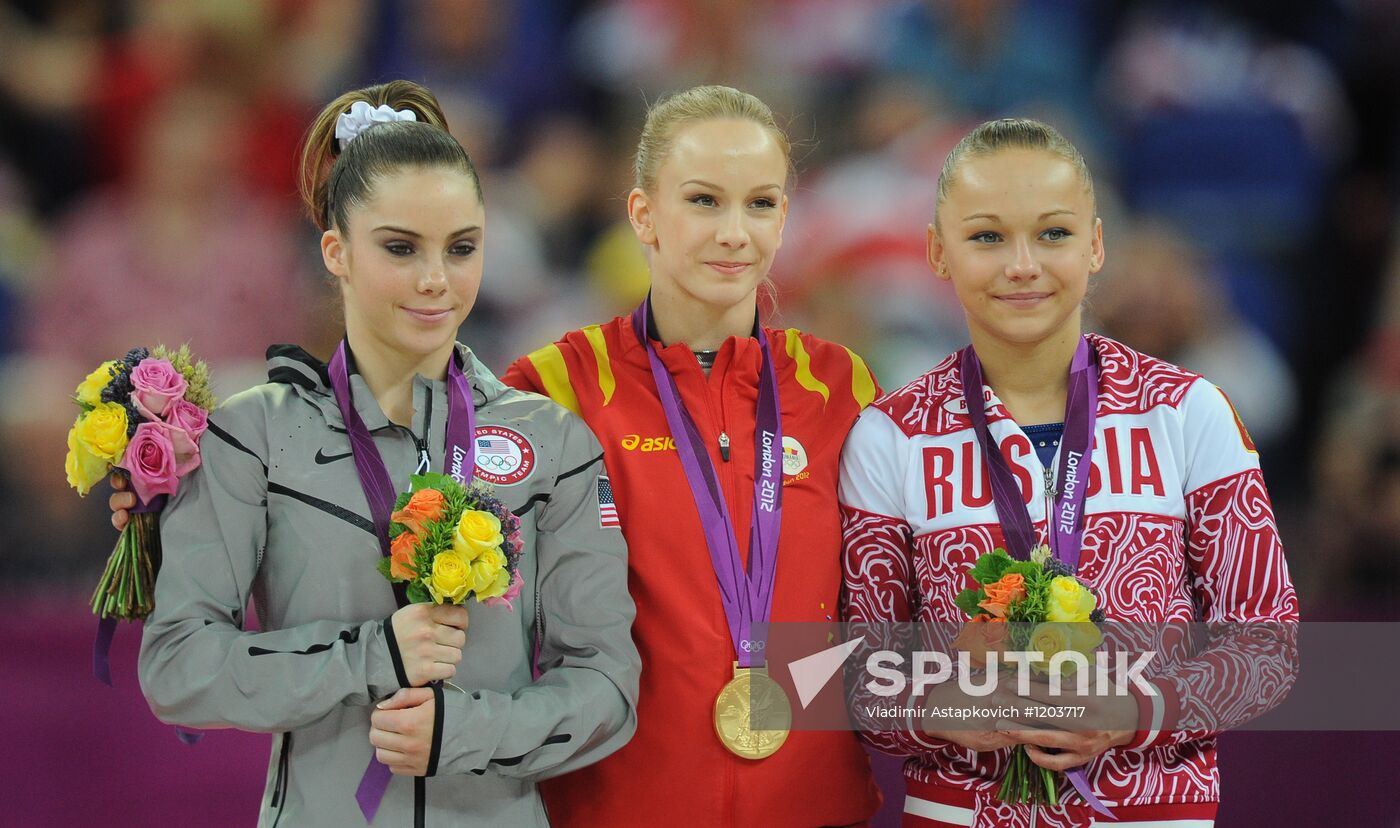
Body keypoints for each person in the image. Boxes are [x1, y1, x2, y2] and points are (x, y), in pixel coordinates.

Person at [112, 80, 640, 827]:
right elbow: (179, 670)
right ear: (337, 251)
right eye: (400, 247)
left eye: (461, 248)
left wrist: (469, 731)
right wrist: (372, 656)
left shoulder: (552, 440)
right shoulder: (253, 434)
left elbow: (609, 687)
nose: (436, 280)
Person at [838, 118, 1298, 826]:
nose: (1022, 265)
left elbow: (1266, 645)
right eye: (987, 236)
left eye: (1053, 233)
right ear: (937, 252)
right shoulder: (891, 434)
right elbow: (860, 677)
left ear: (1096, 245)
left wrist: (1136, 711)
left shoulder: (1187, 411)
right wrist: (942, 708)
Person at [500, 86, 883, 825]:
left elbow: (890, 605)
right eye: (704, 201)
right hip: (617, 807)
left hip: (811, 806)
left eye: (761, 204)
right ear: (643, 214)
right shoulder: (557, 387)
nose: (735, 233)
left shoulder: (842, 388)